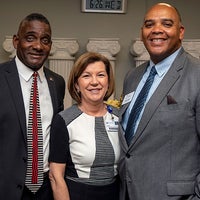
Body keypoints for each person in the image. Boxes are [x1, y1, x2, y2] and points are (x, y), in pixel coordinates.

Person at [118, 3, 200, 200]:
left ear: (180, 32)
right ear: (142, 32)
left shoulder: (196, 74)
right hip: (127, 192)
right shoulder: (133, 77)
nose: (156, 30)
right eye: (149, 24)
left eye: (166, 24)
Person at [0, 13, 65, 200]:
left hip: (46, 189)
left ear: (50, 46)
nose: (38, 46)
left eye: (45, 40)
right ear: (15, 41)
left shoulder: (57, 82)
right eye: (30, 38)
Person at [49, 51, 120, 200]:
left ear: (108, 82)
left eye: (100, 75)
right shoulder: (63, 120)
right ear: (76, 84)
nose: (94, 82)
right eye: (86, 76)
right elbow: (56, 176)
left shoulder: (120, 117)